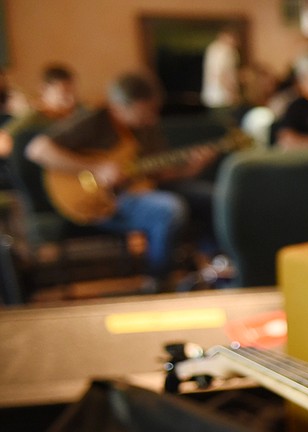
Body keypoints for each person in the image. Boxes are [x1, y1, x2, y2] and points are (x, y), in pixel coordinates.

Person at [26, 72, 216, 291]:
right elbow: (37, 150)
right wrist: (95, 168)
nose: (153, 117)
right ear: (120, 106)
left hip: (143, 189)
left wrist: (189, 170)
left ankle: (214, 268)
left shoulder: (147, 128)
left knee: (208, 196)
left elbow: (156, 174)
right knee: (168, 209)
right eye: (147, 110)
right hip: (101, 199)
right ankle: (157, 281)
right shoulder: (95, 119)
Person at [0, 64, 79, 158]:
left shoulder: (75, 114)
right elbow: (3, 143)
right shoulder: (34, 115)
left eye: (72, 92)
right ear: (44, 89)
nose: (70, 99)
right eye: (63, 93)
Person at [201, 28, 241, 109]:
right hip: (223, 96)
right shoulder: (225, 50)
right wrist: (232, 93)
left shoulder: (212, 48)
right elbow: (222, 74)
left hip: (211, 96)